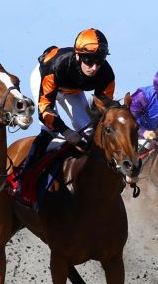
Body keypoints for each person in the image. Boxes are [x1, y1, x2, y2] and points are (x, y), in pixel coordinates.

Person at [11, 28, 116, 200]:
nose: (94, 67)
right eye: (89, 60)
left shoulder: (106, 74)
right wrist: (67, 132)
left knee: (89, 131)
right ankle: (23, 178)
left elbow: (104, 112)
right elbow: (45, 111)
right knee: (49, 129)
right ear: (78, 55)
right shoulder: (56, 65)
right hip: (45, 78)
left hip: (72, 91)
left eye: (100, 61)